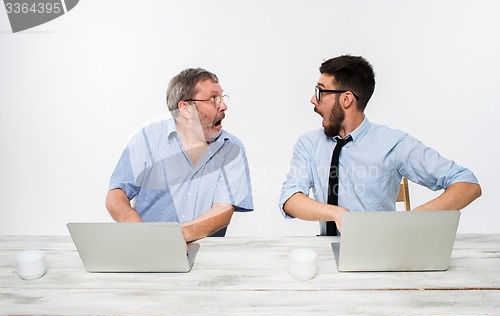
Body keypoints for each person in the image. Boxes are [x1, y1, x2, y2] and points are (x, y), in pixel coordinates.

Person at [279, 55, 481, 236]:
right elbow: (290, 199)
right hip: (328, 256)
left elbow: (467, 184)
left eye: (321, 91)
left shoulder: (393, 143)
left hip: (382, 254)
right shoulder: (309, 144)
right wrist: (337, 213)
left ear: (347, 99)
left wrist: (416, 219)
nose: (313, 99)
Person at [106, 68, 253, 242]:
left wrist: (175, 238)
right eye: (214, 98)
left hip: (205, 258)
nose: (223, 105)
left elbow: (223, 210)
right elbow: (116, 194)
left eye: (222, 97)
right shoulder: (147, 139)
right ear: (186, 109)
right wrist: (139, 232)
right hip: (147, 252)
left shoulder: (232, 148)